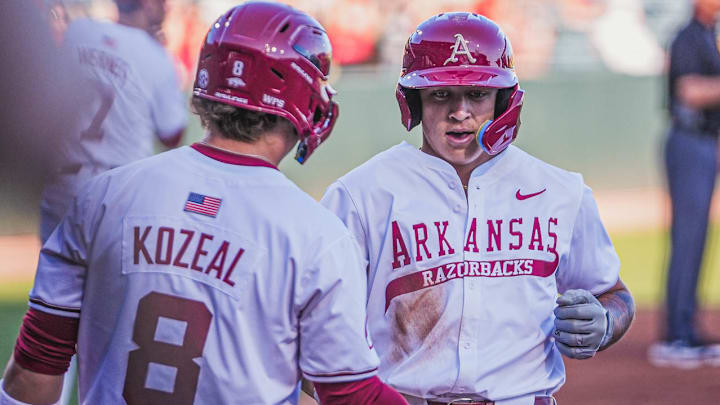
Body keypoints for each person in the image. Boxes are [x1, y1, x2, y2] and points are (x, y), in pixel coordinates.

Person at [0, 3, 409, 405]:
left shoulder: (102, 197)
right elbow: (351, 395)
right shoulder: (317, 235)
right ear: (300, 95)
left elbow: (33, 376)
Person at [320, 12, 635, 405]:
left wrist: (605, 321)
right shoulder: (361, 194)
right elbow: (318, 325)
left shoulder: (561, 191)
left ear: (504, 99)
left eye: (477, 94)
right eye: (440, 94)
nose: (460, 111)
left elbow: (613, 293)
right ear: (413, 100)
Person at [39, 0, 187, 243]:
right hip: (119, 190)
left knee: (53, 277)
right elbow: (171, 135)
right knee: (112, 280)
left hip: (63, 181)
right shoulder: (157, 57)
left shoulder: (80, 31)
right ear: (147, 4)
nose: (166, 7)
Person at [648, 0, 720, 368]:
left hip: (705, 141)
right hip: (689, 141)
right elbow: (689, 91)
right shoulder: (688, 36)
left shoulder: (708, 34)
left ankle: (688, 329)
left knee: (698, 238)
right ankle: (676, 334)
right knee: (688, 236)